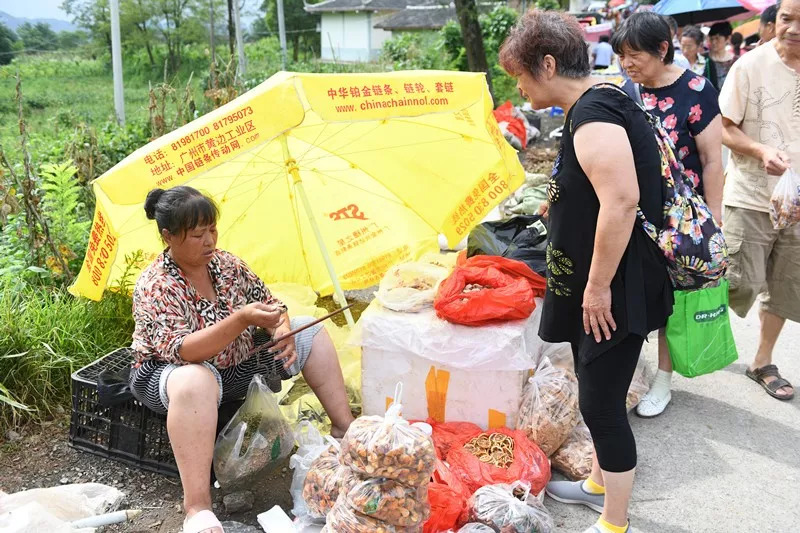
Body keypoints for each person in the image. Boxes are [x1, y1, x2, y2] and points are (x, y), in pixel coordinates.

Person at [499, 11, 673, 533]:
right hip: (599, 281)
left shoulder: (595, 114)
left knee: (600, 407)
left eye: (521, 75)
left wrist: (596, 289)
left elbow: (621, 201)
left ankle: (614, 522)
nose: (520, 87)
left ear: (548, 64)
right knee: (597, 389)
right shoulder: (591, 105)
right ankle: (598, 483)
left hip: (616, 286)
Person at [130, 186, 355, 533]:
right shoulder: (156, 284)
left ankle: (345, 430)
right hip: (172, 373)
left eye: (213, 230)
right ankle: (197, 508)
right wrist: (241, 320)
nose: (209, 241)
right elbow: (184, 350)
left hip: (236, 362)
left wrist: (281, 327)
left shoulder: (227, 264)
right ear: (168, 237)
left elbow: (271, 303)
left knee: (307, 330)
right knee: (195, 379)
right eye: (197, 235)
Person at [611, 12, 724, 417]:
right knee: (632, 291)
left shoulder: (697, 89)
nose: (628, 64)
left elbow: (712, 160)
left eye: (634, 54)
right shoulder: (626, 91)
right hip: (633, 212)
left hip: (680, 218)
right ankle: (628, 373)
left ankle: (662, 380)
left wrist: (716, 219)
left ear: (662, 48)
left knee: (672, 301)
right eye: (622, 55)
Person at [719, 0, 799, 401]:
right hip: (751, 197)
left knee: (785, 286)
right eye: (787, 18)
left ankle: (762, 361)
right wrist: (760, 151)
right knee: (739, 282)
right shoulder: (749, 66)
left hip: (797, 205)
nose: (794, 28)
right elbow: (725, 128)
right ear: (775, 20)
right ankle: (688, 330)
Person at [708, 22, 737, 87]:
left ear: (728, 38)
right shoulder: (705, 59)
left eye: (717, 38)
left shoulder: (735, 61)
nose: (714, 42)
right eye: (711, 38)